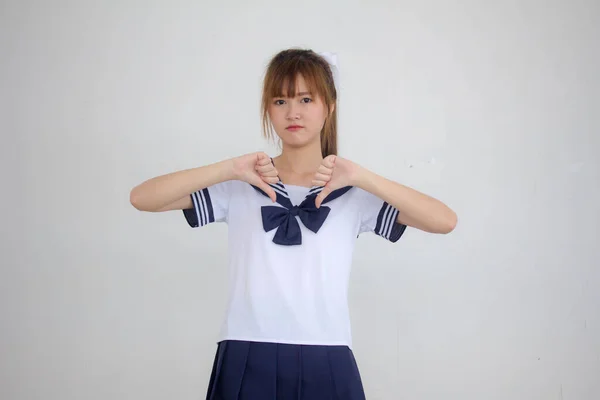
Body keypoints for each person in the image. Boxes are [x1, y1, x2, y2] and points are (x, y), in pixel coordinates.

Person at [130, 48, 457, 400]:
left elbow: (444, 221)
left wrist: (363, 176)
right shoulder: (243, 184)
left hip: (326, 350)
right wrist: (228, 169)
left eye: (305, 99)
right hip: (247, 347)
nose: (293, 112)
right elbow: (142, 198)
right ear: (267, 110)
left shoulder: (350, 192)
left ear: (329, 107)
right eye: (280, 101)